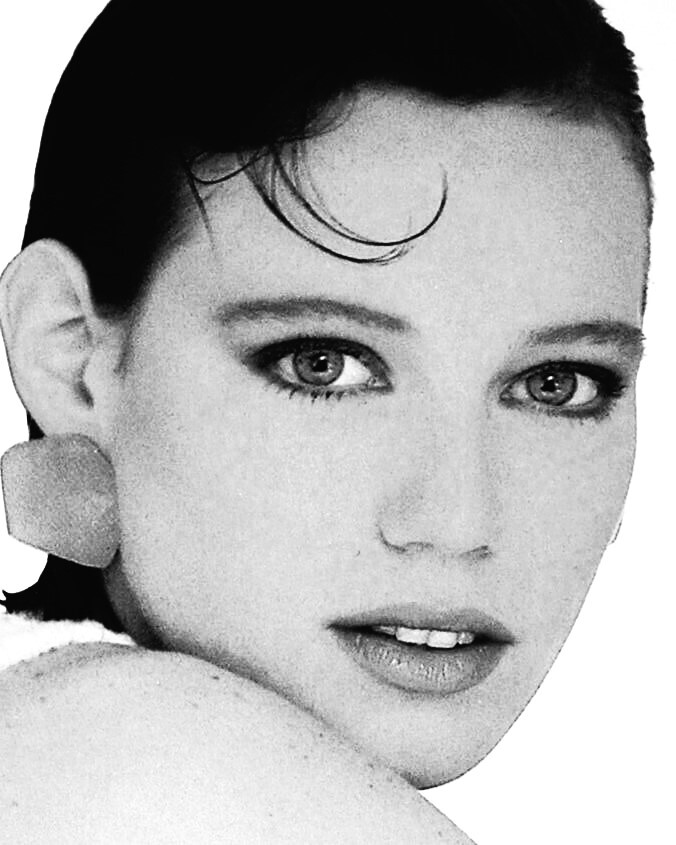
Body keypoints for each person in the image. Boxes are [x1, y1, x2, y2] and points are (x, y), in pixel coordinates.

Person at [0, 1, 661, 841]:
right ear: (70, 355)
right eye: (325, 364)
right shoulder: (134, 752)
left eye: (557, 385)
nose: (458, 522)